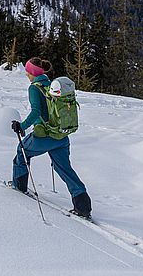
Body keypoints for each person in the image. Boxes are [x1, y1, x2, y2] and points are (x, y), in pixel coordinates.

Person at [10, 57, 92, 219]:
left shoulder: (34, 88)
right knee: (64, 168)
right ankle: (83, 205)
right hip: (61, 136)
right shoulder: (53, 85)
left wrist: (21, 126)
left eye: (28, 71)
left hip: (44, 136)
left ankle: (19, 186)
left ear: (33, 73)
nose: (26, 73)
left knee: (22, 151)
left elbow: (36, 112)